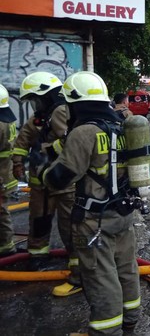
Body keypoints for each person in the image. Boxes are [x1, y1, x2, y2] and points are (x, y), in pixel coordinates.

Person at [42, 71, 141, 334]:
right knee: (126, 268)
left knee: (100, 276)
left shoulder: (84, 132)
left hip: (95, 220)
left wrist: (44, 172)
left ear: (75, 103)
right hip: (124, 212)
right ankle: (131, 318)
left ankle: (106, 331)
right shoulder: (122, 126)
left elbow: (61, 177)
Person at [13, 71, 81, 296]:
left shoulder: (62, 112)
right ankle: (37, 255)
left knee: (69, 224)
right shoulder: (39, 118)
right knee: (39, 220)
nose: (35, 104)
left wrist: (47, 151)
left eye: (36, 99)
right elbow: (22, 140)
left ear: (47, 95)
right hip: (41, 183)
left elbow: (69, 140)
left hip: (63, 181)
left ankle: (76, 265)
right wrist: (18, 162)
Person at [0, 84, 17, 257]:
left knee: (1, 212)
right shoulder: (7, 120)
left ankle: (5, 246)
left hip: (1, 175)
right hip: (6, 173)